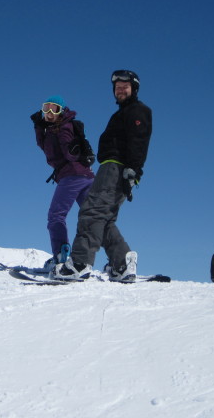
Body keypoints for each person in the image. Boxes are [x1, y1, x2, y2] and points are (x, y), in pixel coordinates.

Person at [53, 70, 152, 281]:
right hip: (111, 168)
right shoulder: (122, 113)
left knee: (92, 212)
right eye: (117, 87)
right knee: (104, 218)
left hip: (116, 168)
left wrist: (133, 171)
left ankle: (80, 263)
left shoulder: (138, 111)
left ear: (134, 89)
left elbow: (139, 141)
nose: (121, 90)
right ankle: (122, 264)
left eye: (125, 86)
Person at [31, 95, 95, 270]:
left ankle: (60, 256)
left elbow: (69, 154)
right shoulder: (52, 130)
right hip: (86, 176)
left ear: (62, 112)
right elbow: (43, 146)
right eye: (46, 108)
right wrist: (38, 126)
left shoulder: (64, 127)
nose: (50, 112)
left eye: (54, 109)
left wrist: (70, 146)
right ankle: (118, 259)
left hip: (72, 176)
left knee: (56, 216)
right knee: (94, 218)